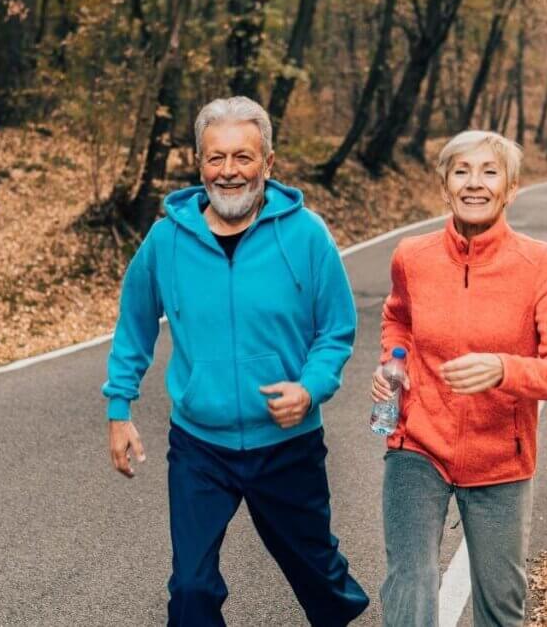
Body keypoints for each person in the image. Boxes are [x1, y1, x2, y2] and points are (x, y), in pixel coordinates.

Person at [102, 96, 369, 626]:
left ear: (267, 163)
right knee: (192, 590)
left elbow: (337, 329)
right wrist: (119, 408)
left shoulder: (306, 234)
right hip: (202, 446)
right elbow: (133, 325)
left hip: (286, 445)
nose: (229, 172)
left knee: (319, 575)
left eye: (243, 157)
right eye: (216, 158)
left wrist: (310, 387)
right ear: (199, 164)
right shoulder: (166, 240)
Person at [371, 130, 547, 626]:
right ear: (445, 187)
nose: (474, 183)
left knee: (500, 603)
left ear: (510, 188)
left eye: (489, 172)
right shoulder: (412, 256)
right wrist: (394, 362)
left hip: (500, 458)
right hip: (417, 444)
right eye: (461, 172)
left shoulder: (538, 264)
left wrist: (504, 369)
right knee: (410, 583)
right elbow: (397, 317)